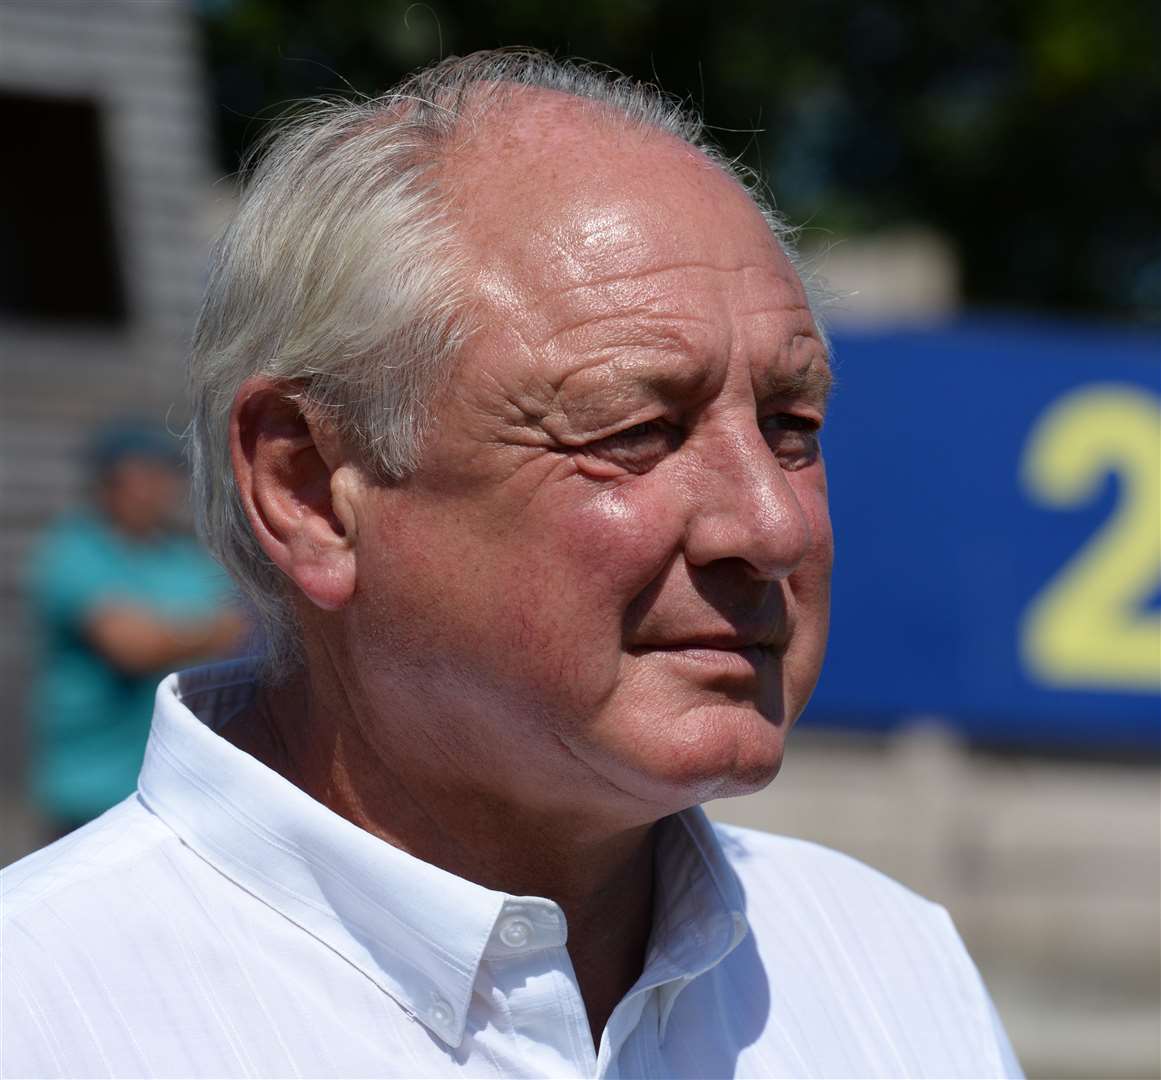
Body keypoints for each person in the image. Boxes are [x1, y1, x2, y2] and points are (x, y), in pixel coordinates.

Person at [1, 51, 1022, 1078]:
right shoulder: (47, 1014)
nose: (772, 526)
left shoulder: (887, 968)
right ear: (310, 489)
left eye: (791, 424)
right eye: (635, 428)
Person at [22, 421, 248, 837]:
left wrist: (171, 634)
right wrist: (199, 633)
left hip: (174, 785)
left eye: (162, 475)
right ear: (108, 483)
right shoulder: (75, 551)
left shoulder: (182, 556)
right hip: (90, 785)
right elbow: (133, 647)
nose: (154, 489)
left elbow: (239, 627)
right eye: (140, 476)